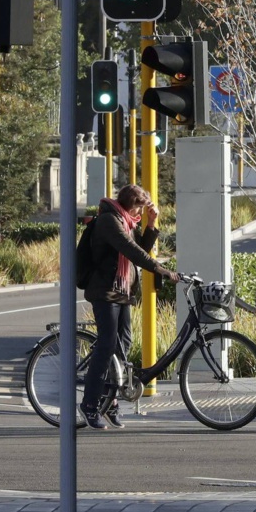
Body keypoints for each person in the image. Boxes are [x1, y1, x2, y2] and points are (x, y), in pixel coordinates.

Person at [80, 184, 180, 429]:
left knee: (123, 346)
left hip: (122, 291)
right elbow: (132, 252)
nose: (139, 212)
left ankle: (109, 401)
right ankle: (90, 405)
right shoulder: (109, 222)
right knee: (106, 345)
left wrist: (152, 223)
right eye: (138, 208)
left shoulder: (126, 221)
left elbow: (140, 249)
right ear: (129, 204)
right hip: (104, 291)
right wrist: (162, 270)